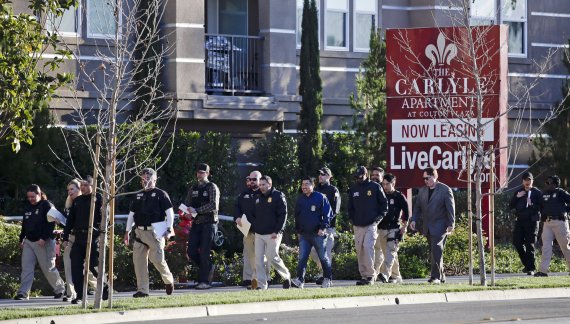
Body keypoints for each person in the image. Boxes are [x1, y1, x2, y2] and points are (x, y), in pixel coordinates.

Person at [124, 168, 175, 298]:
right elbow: (131, 215)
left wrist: (169, 229)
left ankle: (168, 280)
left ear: (155, 179)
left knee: (157, 259)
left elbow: (170, 213)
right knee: (139, 261)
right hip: (140, 232)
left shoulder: (161, 194)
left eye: (148, 178)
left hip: (156, 232)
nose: (146, 180)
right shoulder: (138, 195)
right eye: (143, 178)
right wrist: (127, 231)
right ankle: (143, 290)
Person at [14, 185, 66, 300]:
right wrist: (21, 239)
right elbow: (25, 225)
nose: (30, 199)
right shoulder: (28, 208)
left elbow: (51, 223)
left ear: (39, 194)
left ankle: (60, 290)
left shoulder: (46, 205)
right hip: (29, 242)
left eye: (33, 196)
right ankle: (22, 293)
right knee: (26, 268)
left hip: (44, 241)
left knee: (48, 267)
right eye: (28, 197)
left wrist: (43, 238)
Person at [63, 177, 108, 304]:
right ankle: (80, 295)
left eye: (86, 185)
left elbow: (106, 217)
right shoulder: (77, 201)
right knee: (75, 266)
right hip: (79, 237)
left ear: (93, 186)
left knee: (94, 265)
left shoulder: (99, 198)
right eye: (81, 185)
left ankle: (104, 286)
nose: (83, 187)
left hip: (93, 237)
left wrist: (101, 232)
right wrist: (65, 237)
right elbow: (70, 221)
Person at [410, 167, 455, 284]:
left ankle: (435, 277)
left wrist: (451, 224)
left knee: (436, 250)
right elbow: (417, 207)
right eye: (424, 178)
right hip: (427, 226)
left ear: (435, 176)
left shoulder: (445, 190)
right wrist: (413, 220)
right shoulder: (422, 191)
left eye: (428, 178)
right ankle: (442, 275)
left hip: (441, 226)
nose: (425, 180)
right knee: (433, 251)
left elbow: (450, 208)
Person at [348, 166, 388, 285]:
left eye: (360, 176)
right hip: (358, 225)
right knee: (360, 250)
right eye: (357, 177)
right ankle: (364, 276)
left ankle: (371, 275)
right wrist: (352, 219)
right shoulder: (353, 188)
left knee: (368, 247)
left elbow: (384, 205)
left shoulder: (375, 187)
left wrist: (377, 219)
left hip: (371, 224)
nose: (359, 179)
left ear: (366, 174)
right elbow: (350, 207)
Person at [250, 176, 291, 290]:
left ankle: (286, 276)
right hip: (259, 234)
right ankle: (262, 285)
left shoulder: (278, 196)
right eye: (261, 185)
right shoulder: (257, 196)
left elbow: (283, 215)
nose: (261, 187)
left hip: (273, 233)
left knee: (272, 256)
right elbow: (253, 215)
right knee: (258, 260)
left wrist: (277, 231)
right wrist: (255, 227)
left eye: (264, 184)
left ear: (270, 184)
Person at [292, 177, 333, 289]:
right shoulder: (300, 199)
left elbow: (328, 214)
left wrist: (323, 228)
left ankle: (327, 279)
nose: (304, 186)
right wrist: (298, 231)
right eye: (302, 184)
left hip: (318, 234)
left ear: (312, 185)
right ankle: (300, 280)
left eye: (306, 184)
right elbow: (297, 216)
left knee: (323, 258)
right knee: (302, 258)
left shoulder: (320, 197)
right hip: (304, 235)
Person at [185, 163, 220, 290]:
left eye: (202, 172)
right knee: (191, 251)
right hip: (196, 223)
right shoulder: (193, 188)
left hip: (209, 223)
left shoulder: (212, 187)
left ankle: (204, 281)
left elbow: (213, 206)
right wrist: (186, 212)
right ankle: (208, 268)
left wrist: (196, 210)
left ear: (207, 174)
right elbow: (187, 203)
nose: (200, 174)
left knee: (205, 252)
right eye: (198, 172)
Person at [309, 167, 341, 285]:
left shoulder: (333, 190)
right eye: (319, 174)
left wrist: (325, 225)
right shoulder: (315, 190)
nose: (320, 176)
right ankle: (323, 273)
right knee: (314, 251)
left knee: (326, 252)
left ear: (329, 176)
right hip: (315, 228)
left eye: (323, 174)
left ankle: (326, 276)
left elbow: (335, 210)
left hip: (327, 227)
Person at [535, 175, 570, 277]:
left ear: (555, 184)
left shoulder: (561, 192)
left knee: (565, 247)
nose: (547, 184)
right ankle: (543, 271)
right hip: (547, 223)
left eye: (549, 182)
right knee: (545, 247)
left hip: (560, 222)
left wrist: (565, 211)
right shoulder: (544, 194)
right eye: (546, 182)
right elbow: (539, 206)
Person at [377, 173, 409, 283]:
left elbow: (407, 211)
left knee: (391, 251)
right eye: (383, 184)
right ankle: (396, 276)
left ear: (393, 183)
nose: (385, 186)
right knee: (389, 254)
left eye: (387, 184)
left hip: (394, 228)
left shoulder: (399, 196)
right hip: (381, 228)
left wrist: (405, 226)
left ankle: (385, 274)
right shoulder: (381, 195)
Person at [509, 171, 542, 276]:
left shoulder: (537, 193)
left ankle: (531, 268)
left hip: (532, 221)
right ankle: (527, 265)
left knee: (529, 245)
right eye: (525, 180)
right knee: (517, 243)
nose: (527, 182)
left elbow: (541, 207)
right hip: (520, 221)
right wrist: (517, 197)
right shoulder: (519, 192)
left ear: (532, 181)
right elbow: (510, 206)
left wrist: (531, 204)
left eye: (529, 180)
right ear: (522, 181)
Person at [234, 170, 261, 289]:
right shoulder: (243, 194)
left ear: (260, 180)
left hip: (261, 230)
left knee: (261, 255)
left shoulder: (264, 194)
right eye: (249, 179)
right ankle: (248, 279)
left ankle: (263, 278)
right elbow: (237, 208)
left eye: (254, 179)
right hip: (247, 230)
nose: (251, 181)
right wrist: (237, 217)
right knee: (248, 254)